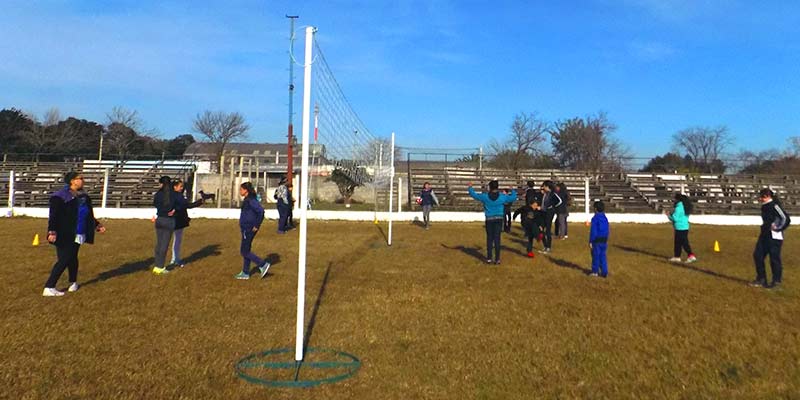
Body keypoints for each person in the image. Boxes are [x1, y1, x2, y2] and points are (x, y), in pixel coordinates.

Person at [43, 171, 106, 296]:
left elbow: (87, 214)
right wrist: (52, 231)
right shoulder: (60, 197)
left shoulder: (84, 197)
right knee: (64, 259)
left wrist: (96, 225)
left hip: (79, 232)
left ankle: (73, 282)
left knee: (72, 258)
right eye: (80, 178)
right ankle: (49, 286)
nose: (83, 180)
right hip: (64, 232)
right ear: (72, 181)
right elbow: (53, 216)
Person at [468, 180, 518, 265]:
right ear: (497, 187)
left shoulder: (485, 196)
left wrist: (470, 187)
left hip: (489, 219)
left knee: (490, 238)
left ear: (490, 187)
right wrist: (512, 190)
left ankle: (489, 258)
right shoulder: (502, 197)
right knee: (497, 238)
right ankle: (497, 259)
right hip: (499, 219)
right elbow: (513, 197)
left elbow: (474, 195)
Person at [750, 188, 790, 289]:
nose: (761, 199)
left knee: (774, 259)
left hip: (774, 237)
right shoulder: (764, 206)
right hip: (764, 235)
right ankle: (761, 279)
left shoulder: (774, 205)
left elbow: (785, 218)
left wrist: (778, 228)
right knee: (758, 255)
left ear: (767, 196)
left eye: (762, 197)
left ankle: (776, 282)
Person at [237, 182, 271, 280]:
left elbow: (261, 211)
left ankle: (263, 264)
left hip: (248, 228)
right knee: (246, 250)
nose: (240, 191)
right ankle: (245, 272)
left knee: (244, 251)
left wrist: (256, 225)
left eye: (241, 189)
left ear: (246, 190)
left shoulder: (251, 200)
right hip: (245, 227)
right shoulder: (248, 200)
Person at [170, 178, 204, 268]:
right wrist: (198, 203)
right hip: (177, 220)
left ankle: (174, 259)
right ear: (175, 187)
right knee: (176, 241)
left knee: (175, 240)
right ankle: (175, 259)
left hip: (174, 219)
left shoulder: (172, 195)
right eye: (180, 186)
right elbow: (186, 205)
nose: (182, 188)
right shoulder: (177, 196)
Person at [153, 176, 178, 275]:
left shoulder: (158, 194)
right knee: (164, 244)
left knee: (159, 243)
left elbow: (154, 204)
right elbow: (179, 204)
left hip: (159, 219)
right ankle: (160, 267)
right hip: (169, 220)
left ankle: (156, 265)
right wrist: (174, 210)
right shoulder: (173, 194)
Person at [665, 193, 696, 263]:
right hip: (685, 226)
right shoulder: (685, 206)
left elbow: (675, 218)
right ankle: (677, 256)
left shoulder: (678, 208)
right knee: (678, 242)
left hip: (680, 227)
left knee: (684, 243)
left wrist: (668, 215)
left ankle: (691, 255)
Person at [539, 180, 562, 254]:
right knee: (540, 229)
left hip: (549, 213)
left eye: (544, 186)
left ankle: (548, 247)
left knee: (547, 230)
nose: (543, 187)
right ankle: (545, 246)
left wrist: (552, 207)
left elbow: (559, 201)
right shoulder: (545, 194)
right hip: (543, 212)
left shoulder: (552, 194)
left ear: (547, 186)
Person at [589, 201, 609, 278]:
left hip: (596, 240)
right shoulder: (605, 218)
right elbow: (607, 229)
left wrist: (591, 241)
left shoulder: (595, 218)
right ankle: (604, 272)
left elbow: (593, 231)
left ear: (595, 209)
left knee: (596, 256)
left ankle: (595, 271)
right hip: (604, 239)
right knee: (603, 256)